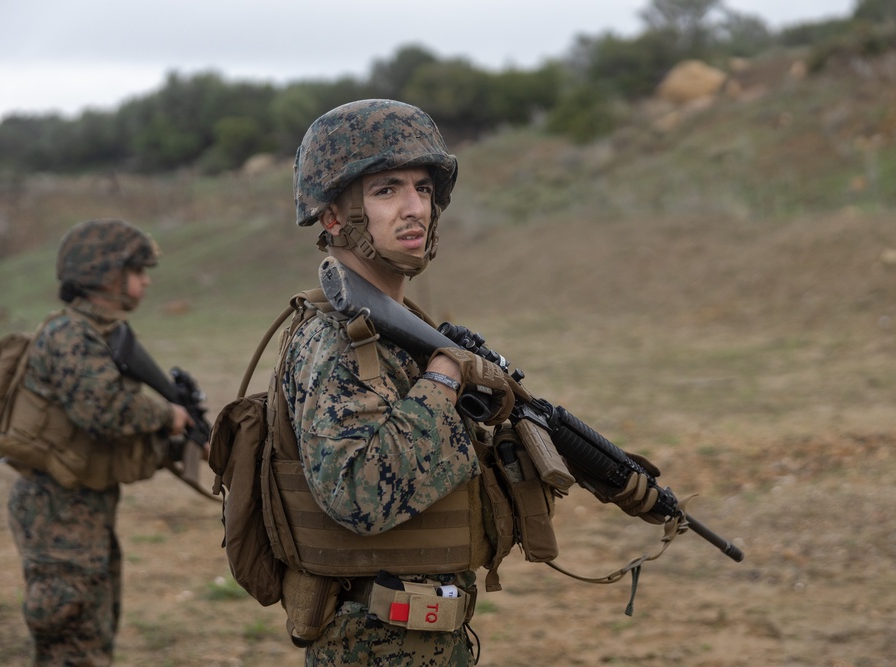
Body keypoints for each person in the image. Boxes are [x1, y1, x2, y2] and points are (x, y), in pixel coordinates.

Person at [255, 99, 664, 667]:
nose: (414, 207)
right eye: (386, 190)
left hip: (417, 635)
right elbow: (355, 493)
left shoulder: (401, 328)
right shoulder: (337, 341)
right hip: (373, 644)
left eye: (423, 189)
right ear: (332, 217)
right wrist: (444, 378)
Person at [0, 219, 193, 666]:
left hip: (80, 506)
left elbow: (102, 433)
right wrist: (169, 416)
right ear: (107, 274)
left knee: (90, 634)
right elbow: (104, 411)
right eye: (138, 270)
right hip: (57, 511)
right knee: (71, 639)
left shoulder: (96, 335)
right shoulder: (69, 335)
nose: (146, 280)